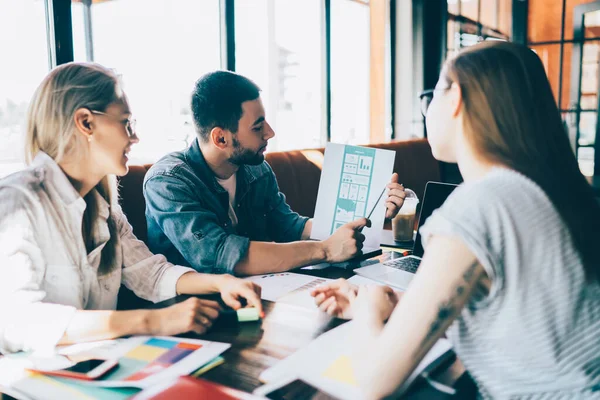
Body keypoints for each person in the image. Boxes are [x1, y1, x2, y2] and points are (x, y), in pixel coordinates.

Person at [311, 41, 600, 399]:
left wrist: (367, 311)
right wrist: (398, 309)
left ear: (455, 98)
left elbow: (371, 384)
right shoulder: (547, 190)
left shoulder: (482, 203)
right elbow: (521, 314)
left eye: (431, 95)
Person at [0, 63, 263, 354]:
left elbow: (150, 274)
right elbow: (18, 322)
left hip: (91, 367)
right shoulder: (18, 202)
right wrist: (152, 320)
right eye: (126, 122)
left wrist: (220, 283)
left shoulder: (106, 210)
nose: (134, 137)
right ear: (86, 122)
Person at [143, 71, 406, 276]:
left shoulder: (255, 168)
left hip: (256, 295)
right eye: (258, 127)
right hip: (191, 309)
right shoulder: (168, 183)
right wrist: (324, 250)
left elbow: (288, 226)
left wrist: (368, 213)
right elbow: (219, 255)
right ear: (220, 138)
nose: (270, 132)